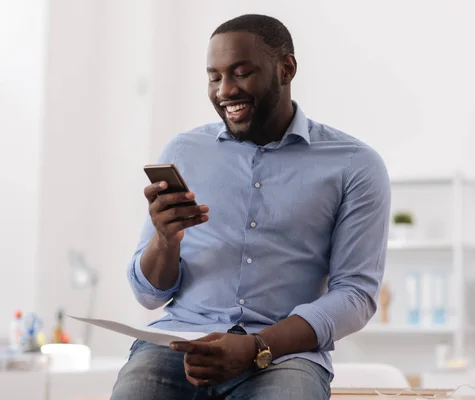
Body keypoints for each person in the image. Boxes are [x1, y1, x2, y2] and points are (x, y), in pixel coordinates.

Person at [110, 13, 391, 400]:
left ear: (286, 69)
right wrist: (164, 239)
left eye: (241, 73)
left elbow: (356, 294)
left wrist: (258, 346)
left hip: (284, 357)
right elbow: (149, 296)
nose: (225, 90)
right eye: (214, 77)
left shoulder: (355, 165)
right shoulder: (183, 151)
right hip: (178, 344)